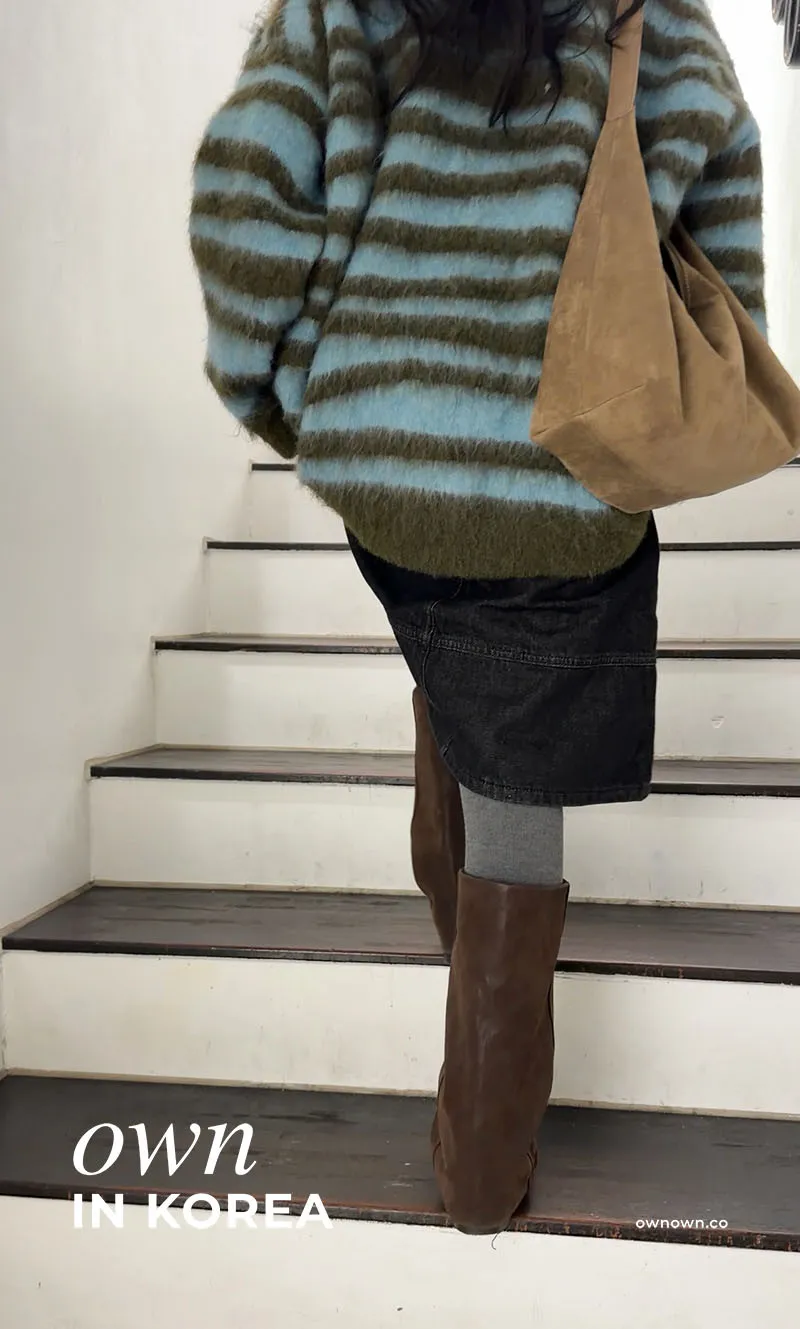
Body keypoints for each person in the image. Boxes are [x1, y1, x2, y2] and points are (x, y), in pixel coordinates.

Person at [189, 0, 765, 1235]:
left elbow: (247, 196)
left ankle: (476, 1117)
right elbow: (723, 218)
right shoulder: (657, 18)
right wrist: (693, 384)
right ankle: (482, 1175)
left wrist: (288, 392)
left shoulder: (342, 9)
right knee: (517, 809)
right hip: (568, 471)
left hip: (386, 463)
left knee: (460, 671)